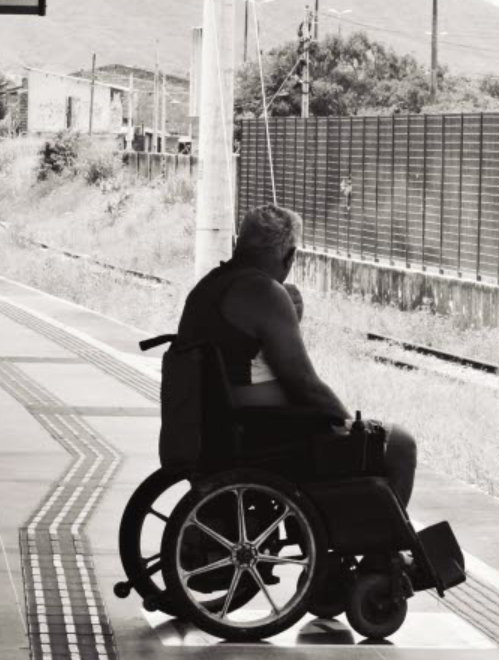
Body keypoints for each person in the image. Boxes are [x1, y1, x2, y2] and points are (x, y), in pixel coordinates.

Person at [174, 205, 417, 508]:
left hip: (209, 426)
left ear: (240, 242)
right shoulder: (265, 292)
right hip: (259, 434)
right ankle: (381, 548)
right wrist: (349, 426)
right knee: (400, 445)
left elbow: (246, 353)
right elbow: (304, 383)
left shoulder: (209, 285)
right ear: (289, 256)